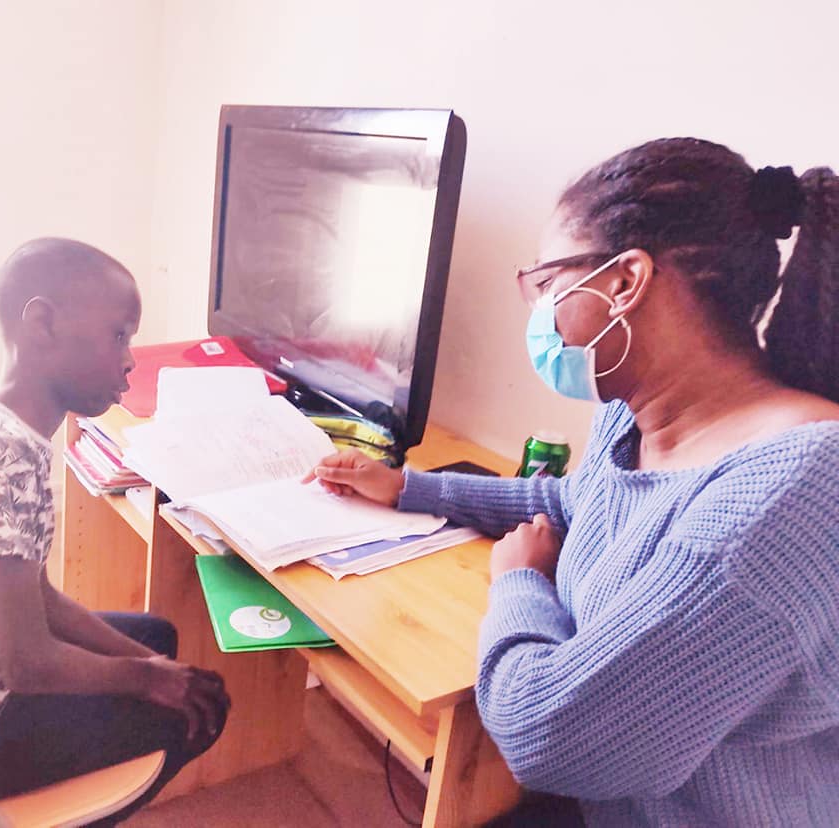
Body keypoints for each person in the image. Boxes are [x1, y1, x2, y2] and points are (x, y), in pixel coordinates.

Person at [307, 138, 839, 826]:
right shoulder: (634, 411)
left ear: (625, 281)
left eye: (548, 283)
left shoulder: (789, 494)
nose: (539, 314)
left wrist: (518, 582)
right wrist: (410, 488)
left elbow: (548, 736)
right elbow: (572, 501)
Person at [0, 238, 229, 822]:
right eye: (119, 335)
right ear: (41, 324)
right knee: (198, 709)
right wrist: (145, 681)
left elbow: (37, 596)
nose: (129, 360)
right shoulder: (3, 457)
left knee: (158, 641)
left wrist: (148, 666)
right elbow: (28, 664)